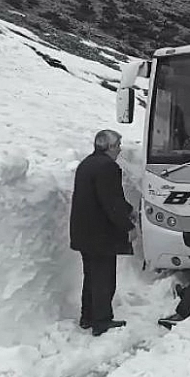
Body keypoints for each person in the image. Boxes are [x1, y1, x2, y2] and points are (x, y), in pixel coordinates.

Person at [70, 129, 137, 337]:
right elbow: (111, 203)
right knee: (104, 278)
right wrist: (129, 227)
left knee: (91, 276)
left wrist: (128, 210)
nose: (119, 149)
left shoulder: (87, 164)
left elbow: (100, 196)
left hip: (84, 232)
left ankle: (87, 316)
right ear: (107, 147)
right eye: (117, 145)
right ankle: (102, 321)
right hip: (101, 234)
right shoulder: (109, 167)